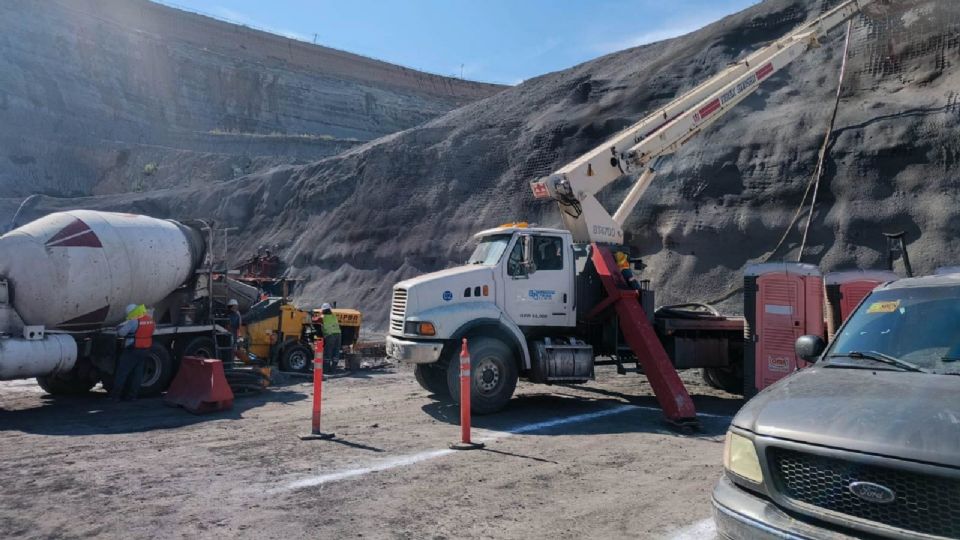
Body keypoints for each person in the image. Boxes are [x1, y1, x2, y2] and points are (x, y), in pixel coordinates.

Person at [113, 303, 155, 401]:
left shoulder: (133, 322)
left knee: (122, 372)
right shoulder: (150, 319)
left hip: (133, 349)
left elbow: (121, 333)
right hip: (145, 348)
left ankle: (115, 396)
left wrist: (119, 328)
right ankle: (132, 396)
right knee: (138, 374)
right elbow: (152, 331)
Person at [319, 303, 341, 371]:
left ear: (323, 310)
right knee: (336, 351)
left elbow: (315, 319)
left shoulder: (323, 317)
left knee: (328, 351)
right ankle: (334, 368)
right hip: (338, 335)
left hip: (330, 335)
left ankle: (326, 368)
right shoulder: (334, 316)